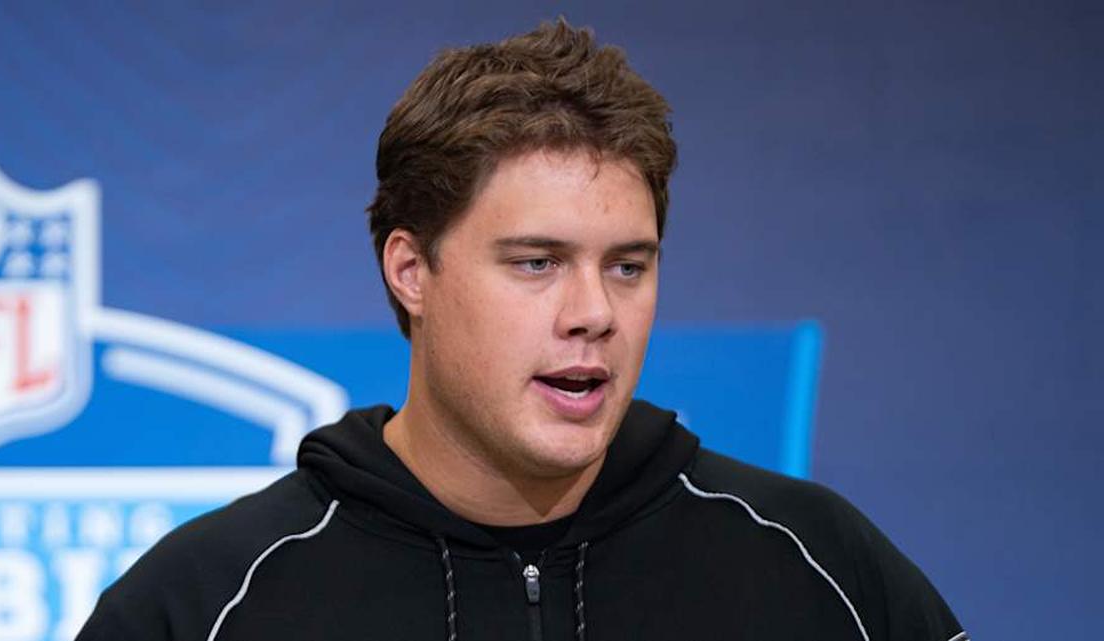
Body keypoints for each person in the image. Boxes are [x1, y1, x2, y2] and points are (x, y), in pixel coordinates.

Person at [77, 18, 967, 641]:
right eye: (536, 262)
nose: (594, 312)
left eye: (628, 264)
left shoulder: (818, 570)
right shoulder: (206, 604)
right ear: (410, 270)